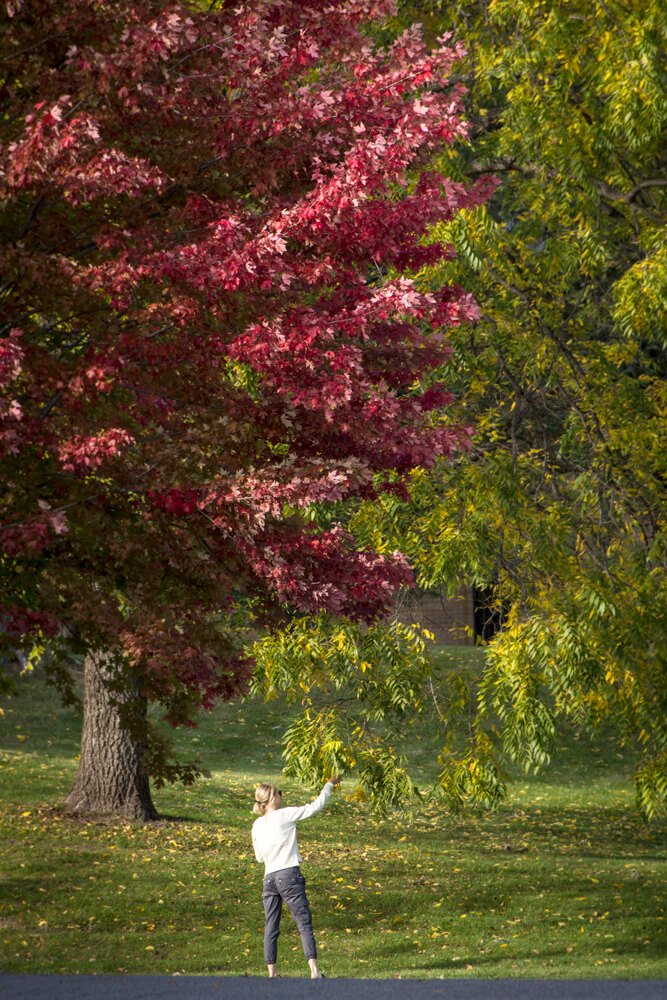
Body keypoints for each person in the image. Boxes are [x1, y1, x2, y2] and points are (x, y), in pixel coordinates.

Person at [251, 777, 341, 979]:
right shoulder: (284, 815)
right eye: (279, 793)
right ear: (272, 797)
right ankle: (314, 970)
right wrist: (329, 785)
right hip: (288, 874)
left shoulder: (257, 825)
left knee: (271, 925)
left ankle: (272, 973)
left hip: (269, 878)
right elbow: (314, 807)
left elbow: (259, 857)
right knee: (303, 922)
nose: (282, 796)